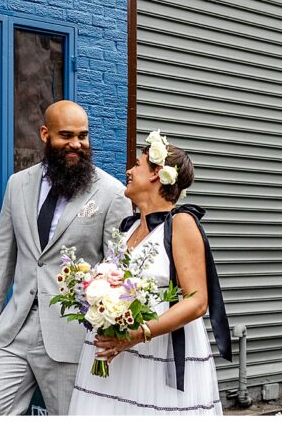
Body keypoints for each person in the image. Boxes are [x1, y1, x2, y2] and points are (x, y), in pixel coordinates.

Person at [0, 100, 132, 415]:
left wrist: (111, 326)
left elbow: (120, 269)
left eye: (83, 136)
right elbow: (2, 257)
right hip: (13, 330)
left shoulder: (112, 193)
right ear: (45, 135)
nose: (76, 144)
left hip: (71, 337)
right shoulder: (17, 184)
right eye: (66, 135)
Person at [68, 132, 231, 415]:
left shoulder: (180, 224)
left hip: (158, 352)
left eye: (137, 165)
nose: (129, 171)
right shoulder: (126, 228)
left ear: (156, 174)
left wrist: (138, 332)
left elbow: (197, 301)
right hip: (118, 358)